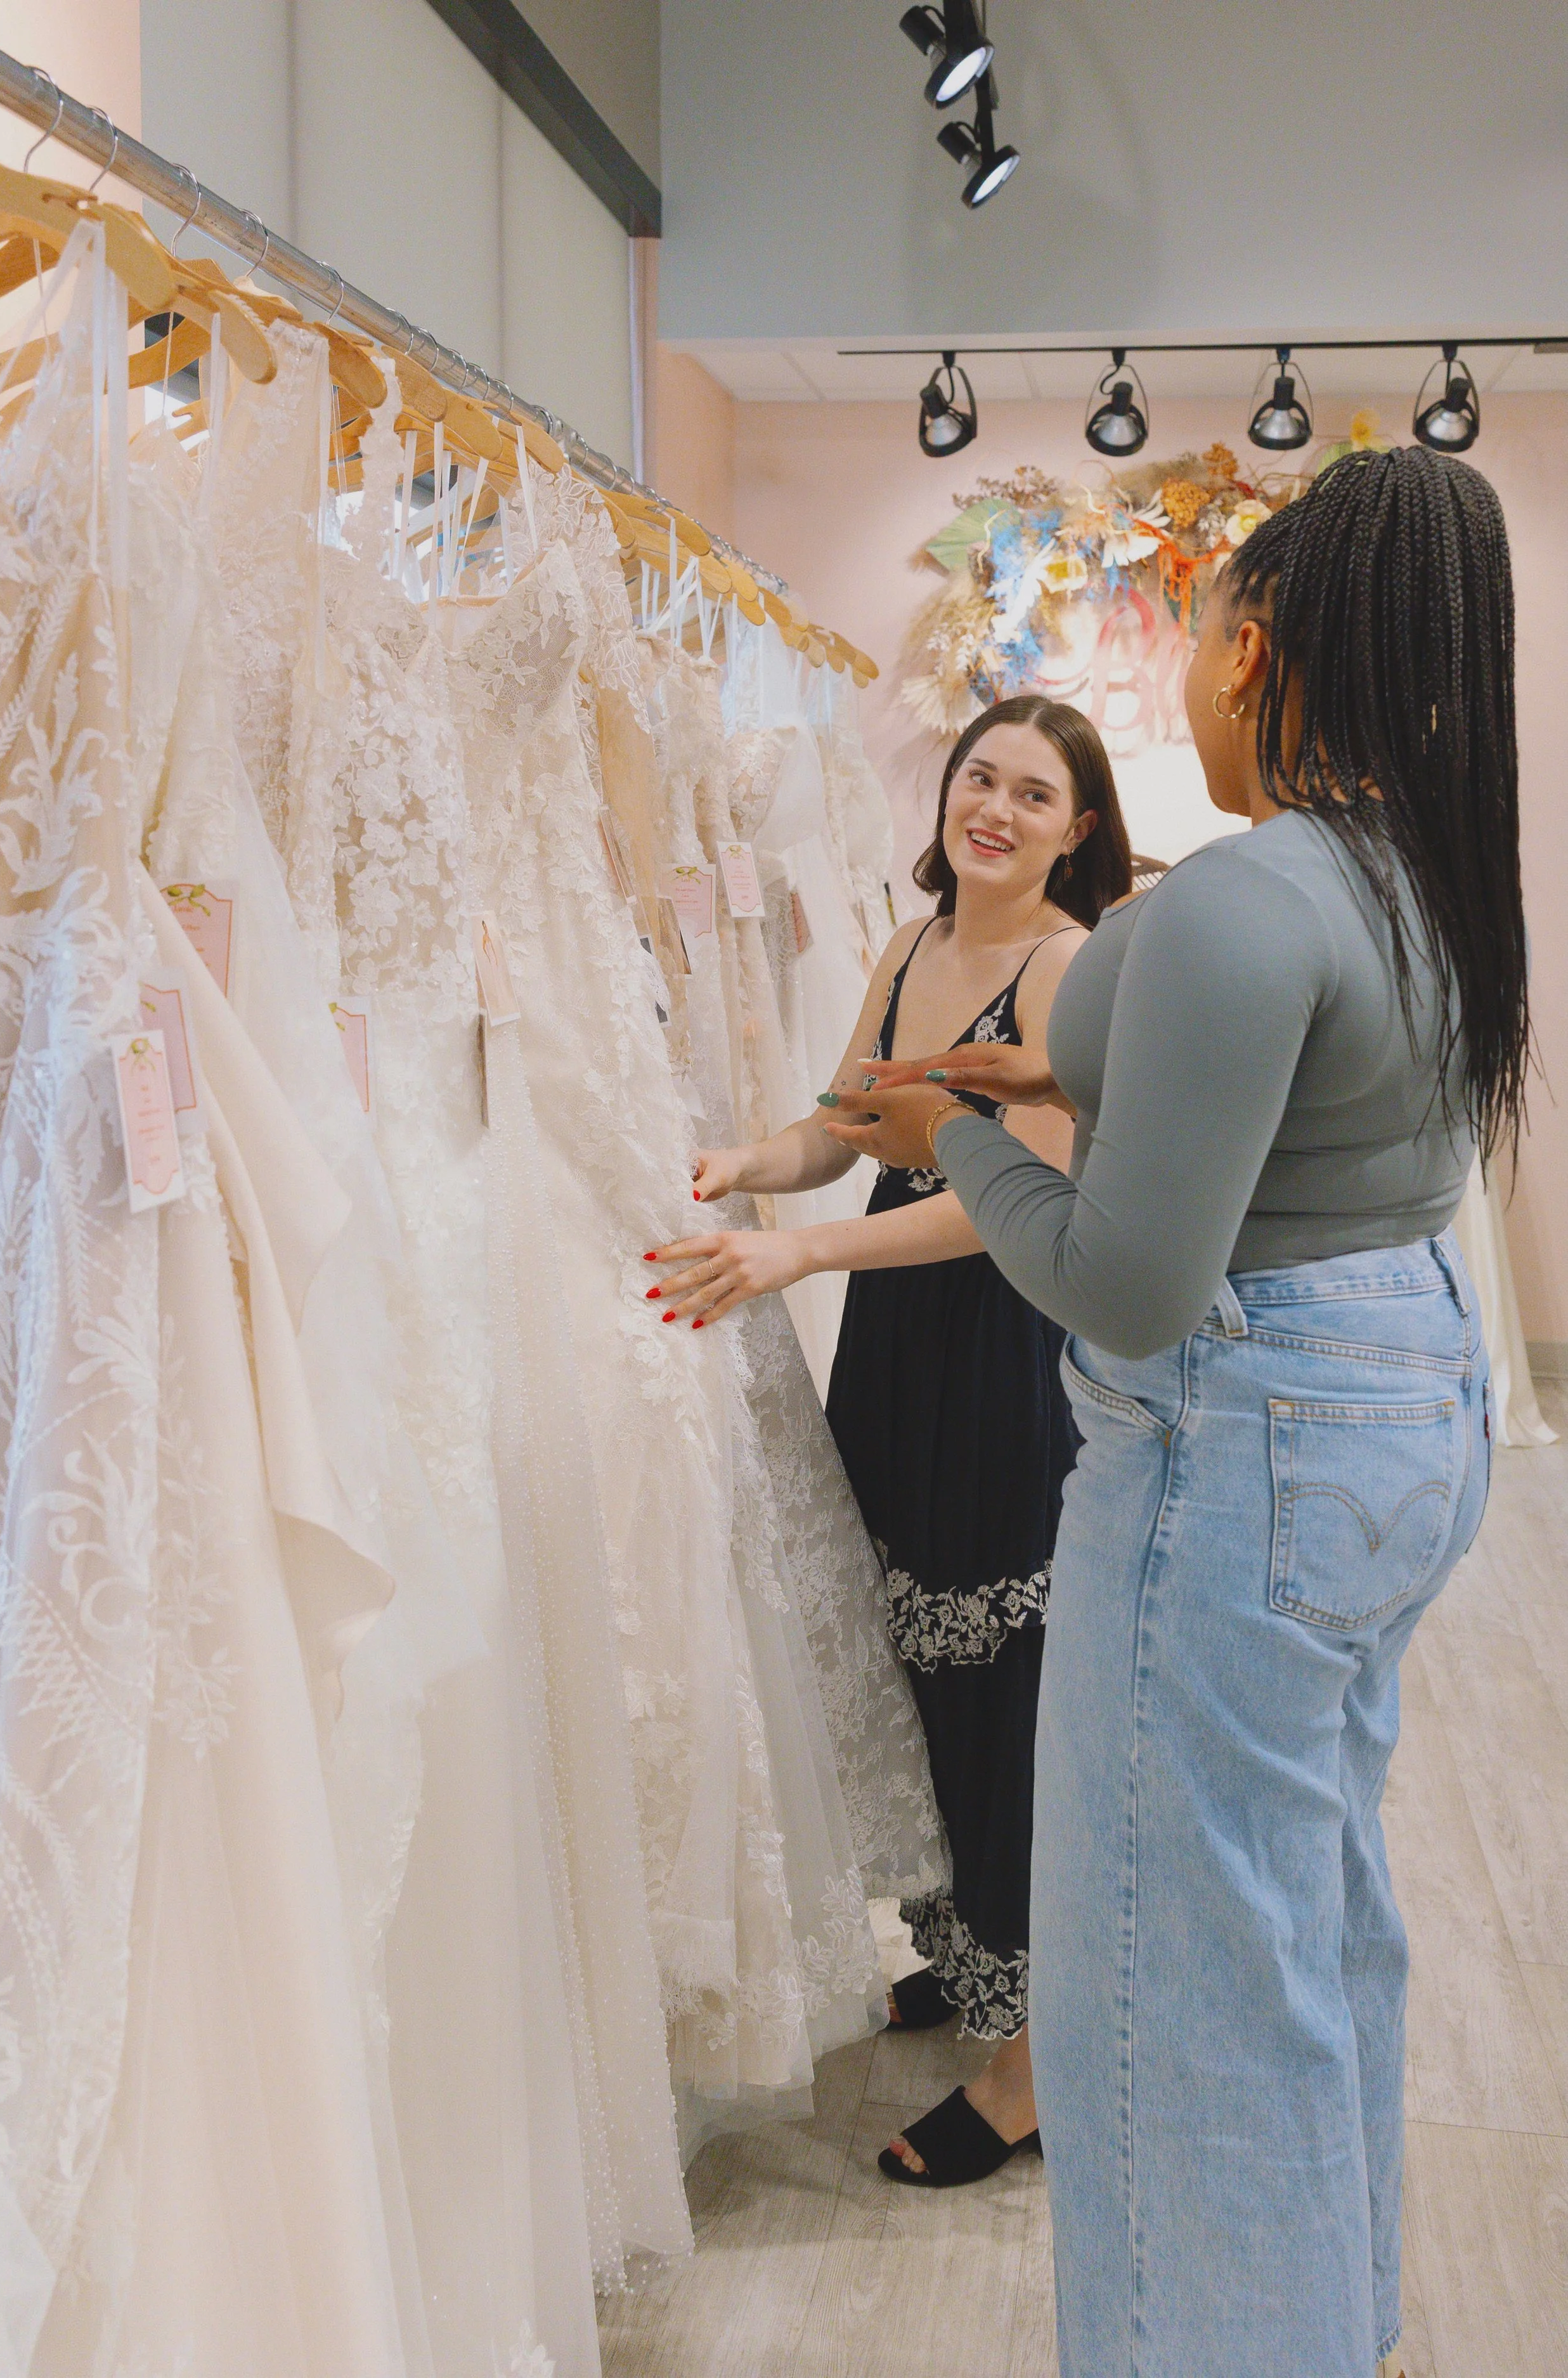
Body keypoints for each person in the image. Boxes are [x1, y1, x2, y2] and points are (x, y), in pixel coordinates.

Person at [831, 446, 1523, 2378]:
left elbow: (1133, 1279)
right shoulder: (1430, 876)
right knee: (1300, 1917)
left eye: (1205, 638)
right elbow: (1293, 1135)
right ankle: (1336, 2321)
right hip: (1393, 1398)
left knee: (1165, 1970)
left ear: (1261, 644)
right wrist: (1040, 1090)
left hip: (1248, 1435)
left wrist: (955, 1136)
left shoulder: (1249, 894)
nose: (1196, 684)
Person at [642, 696, 1132, 2186]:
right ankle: (963, 1952)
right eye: (977, 778)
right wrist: (750, 1168)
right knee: (906, 1644)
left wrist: (793, 1261)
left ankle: (1034, 2066)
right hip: (899, 1335)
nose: (991, 809)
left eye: (1030, 795)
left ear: (1077, 830)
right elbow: (844, 1127)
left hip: (1001, 1345)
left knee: (1002, 1685)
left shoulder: (1064, 969)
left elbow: (1005, 1199)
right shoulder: (913, 946)